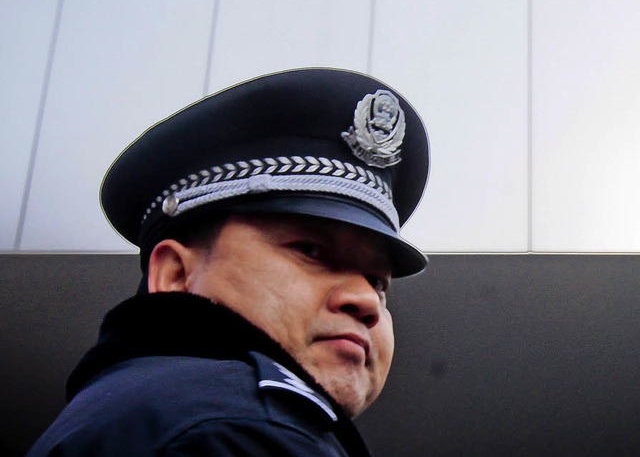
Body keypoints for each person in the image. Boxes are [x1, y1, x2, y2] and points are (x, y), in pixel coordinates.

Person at [28, 67, 430, 456]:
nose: (365, 299)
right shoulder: (235, 430)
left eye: (378, 281)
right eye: (311, 251)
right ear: (176, 276)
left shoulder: (146, 414)